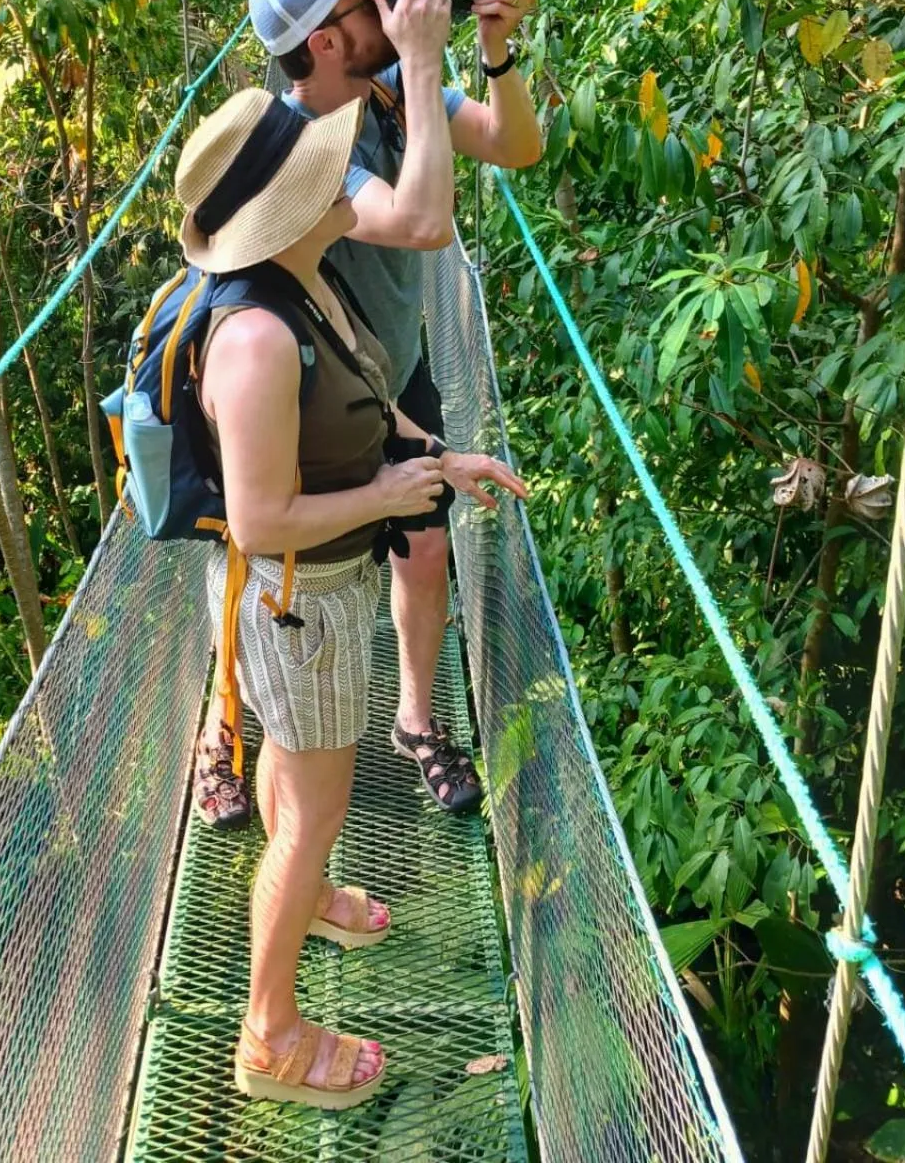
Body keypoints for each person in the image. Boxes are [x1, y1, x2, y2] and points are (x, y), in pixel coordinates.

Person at [176, 84, 526, 1108]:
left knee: (297, 777)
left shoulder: (309, 284)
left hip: (313, 595)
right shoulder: (255, 339)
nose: (349, 173)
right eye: (323, 169)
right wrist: (386, 496)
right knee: (315, 809)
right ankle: (269, 1034)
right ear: (282, 208)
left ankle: (311, 890)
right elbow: (258, 521)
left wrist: (441, 459)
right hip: (299, 603)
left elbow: (366, 398)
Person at [192, 0, 541, 828]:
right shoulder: (302, 150)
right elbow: (423, 223)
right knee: (267, 569)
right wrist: (424, 61)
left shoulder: (386, 93)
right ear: (326, 41)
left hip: (390, 370)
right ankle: (228, 730)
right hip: (301, 391)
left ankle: (414, 720)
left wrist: (494, 51)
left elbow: (514, 145)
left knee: (425, 549)